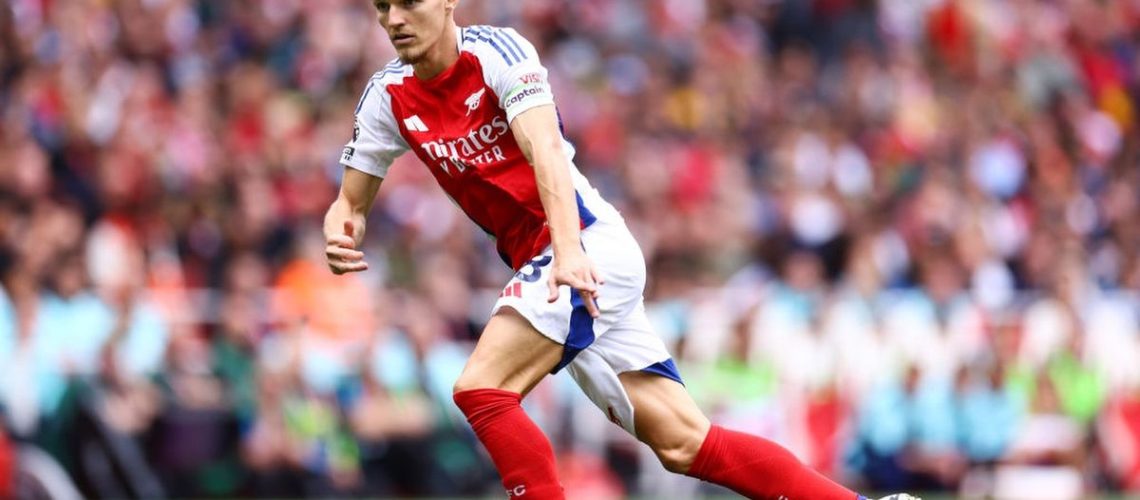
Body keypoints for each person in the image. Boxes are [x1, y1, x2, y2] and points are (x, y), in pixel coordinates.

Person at [323, 1, 919, 499]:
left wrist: (567, 252)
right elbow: (350, 201)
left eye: (408, 1)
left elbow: (547, 154)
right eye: (382, 6)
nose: (394, 18)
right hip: (560, 262)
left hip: (583, 248)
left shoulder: (500, 53)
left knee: (480, 388)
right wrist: (341, 225)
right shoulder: (387, 96)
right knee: (686, 444)